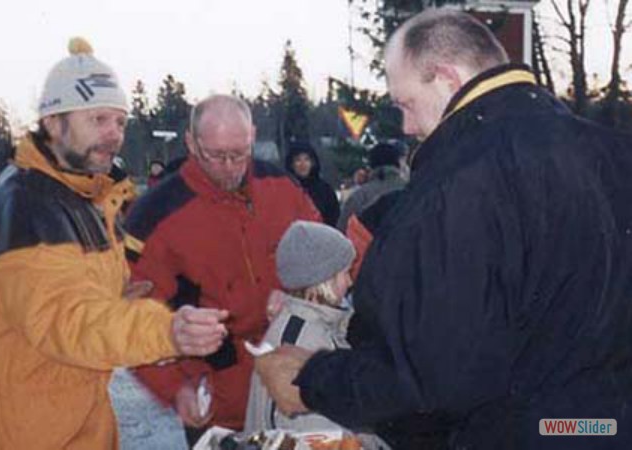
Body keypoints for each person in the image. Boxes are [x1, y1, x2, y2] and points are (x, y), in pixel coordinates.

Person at [256, 9, 632, 450]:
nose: (407, 127)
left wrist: (312, 380)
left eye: (406, 104)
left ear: (447, 78)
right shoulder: (611, 152)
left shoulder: (460, 185)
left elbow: (433, 376)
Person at [0, 38, 227, 450]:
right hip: (14, 429)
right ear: (53, 123)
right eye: (99, 120)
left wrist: (123, 299)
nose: (114, 135)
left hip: (68, 416)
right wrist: (166, 330)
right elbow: (68, 321)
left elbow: (76, 294)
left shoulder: (82, 198)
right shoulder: (26, 207)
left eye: (120, 122)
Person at [124, 94, 321, 442]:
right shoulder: (154, 215)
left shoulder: (283, 187)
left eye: (239, 153)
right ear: (191, 143)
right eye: (216, 156)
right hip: (216, 394)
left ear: (252, 136)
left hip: (292, 378)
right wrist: (176, 389)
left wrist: (299, 291)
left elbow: (324, 256)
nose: (230, 166)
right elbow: (135, 318)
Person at [244, 221, 356, 432]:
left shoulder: (308, 323)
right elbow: (321, 434)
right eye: (345, 273)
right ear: (323, 280)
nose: (350, 282)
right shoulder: (307, 341)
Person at [337, 142, 408, 232]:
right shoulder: (411, 189)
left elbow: (342, 230)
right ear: (397, 163)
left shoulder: (360, 196)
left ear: (371, 165)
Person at [285, 142, 340, 226]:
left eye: (306, 159)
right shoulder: (285, 189)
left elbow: (334, 218)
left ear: (313, 163)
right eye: (298, 160)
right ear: (292, 164)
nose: (303, 164)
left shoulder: (325, 190)